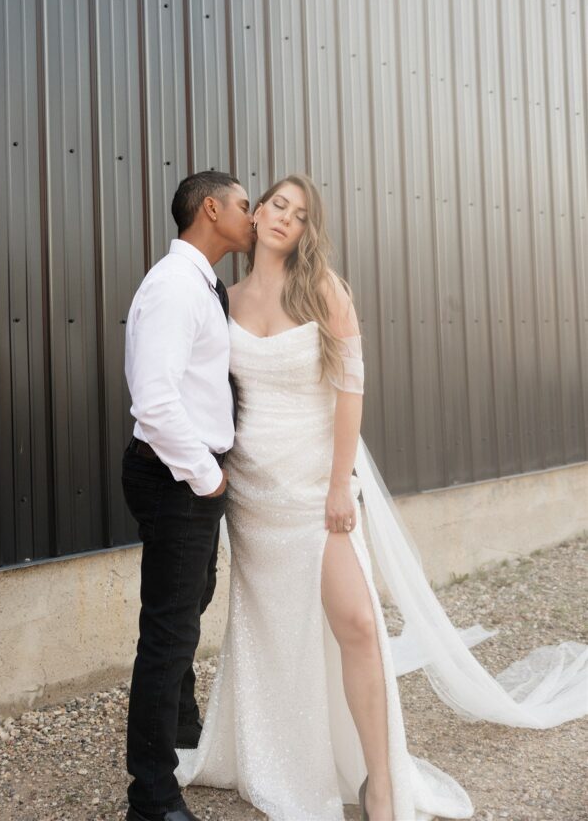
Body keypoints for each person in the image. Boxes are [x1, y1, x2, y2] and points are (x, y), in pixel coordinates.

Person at [175, 173, 588, 821]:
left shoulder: (323, 290)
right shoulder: (222, 300)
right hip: (253, 494)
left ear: (310, 229)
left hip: (317, 488)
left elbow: (350, 391)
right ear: (253, 216)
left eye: (300, 213)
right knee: (274, 630)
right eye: (276, 204)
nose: (285, 217)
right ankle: (282, 754)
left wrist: (341, 485)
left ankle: (381, 783)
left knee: (360, 626)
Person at [122, 170, 253, 821]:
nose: (252, 217)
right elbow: (155, 397)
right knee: (168, 633)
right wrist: (208, 476)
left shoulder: (205, 285)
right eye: (243, 205)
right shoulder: (176, 287)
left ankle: (182, 725)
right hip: (177, 476)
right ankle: (151, 797)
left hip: (187, 473)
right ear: (210, 209)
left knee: (187, 605)